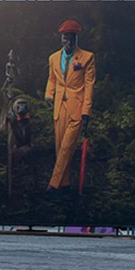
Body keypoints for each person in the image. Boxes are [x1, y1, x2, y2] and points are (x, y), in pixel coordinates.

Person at [44, 20, 96, 194]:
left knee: (67, 146)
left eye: (71, 37)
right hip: (59, 107)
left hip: (77, 108)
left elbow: (89, 85)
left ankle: (53, 183)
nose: (68, 40)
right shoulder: (53, 58)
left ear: (76, 38)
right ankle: (64, 184)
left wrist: (86, 111)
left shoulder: (87, 57)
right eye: (65, 36)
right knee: (60, 146)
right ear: (61, 37)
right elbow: (52, 79)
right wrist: (49, 95)